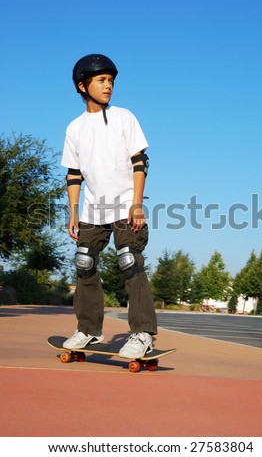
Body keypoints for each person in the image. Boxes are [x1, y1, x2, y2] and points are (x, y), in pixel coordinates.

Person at [61, 53, 157, 358]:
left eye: (111, 81)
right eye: (102, 80)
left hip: (126, 206)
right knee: (84, 263)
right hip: (92, 210)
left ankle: (142, 333)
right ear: (82, 86)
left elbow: (140, 162)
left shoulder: (123, 117)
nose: (108, 86)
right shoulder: (74, 128)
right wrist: (74, 213)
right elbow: (74, 175)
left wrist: (137, 204)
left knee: (130, 262)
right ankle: (89, 330)